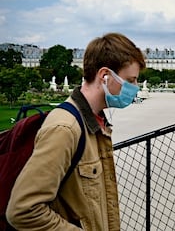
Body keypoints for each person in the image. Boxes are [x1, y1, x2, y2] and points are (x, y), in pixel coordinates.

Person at [6, 32, 146, 230]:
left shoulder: (92, 120)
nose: (135, 88)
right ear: (105, 76)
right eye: (130, 80)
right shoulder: (65, 129)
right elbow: (23, 210)